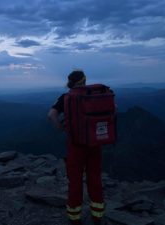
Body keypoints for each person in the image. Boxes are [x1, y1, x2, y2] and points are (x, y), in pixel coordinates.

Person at [48, 70, 105, 225]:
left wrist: (61, 127)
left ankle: (74, 218)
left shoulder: (66, 97)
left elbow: (51, 115)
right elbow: (115, 108)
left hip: (75, 145)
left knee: (75, 181)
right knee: (94, 179)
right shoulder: (95, 94)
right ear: (84, 81)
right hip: (94, 143)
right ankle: (97, 216)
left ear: (70, 82)